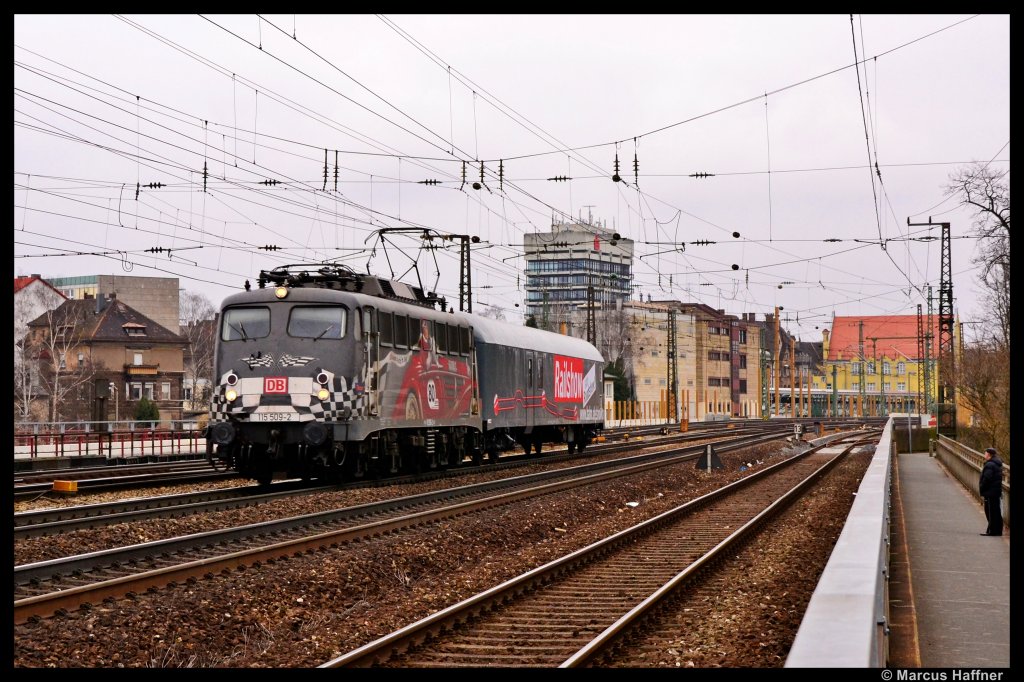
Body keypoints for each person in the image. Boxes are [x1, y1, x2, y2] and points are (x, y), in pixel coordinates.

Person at [979, 447, 1004, 536]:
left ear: (989, 454)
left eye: (985, 453)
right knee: (996, 511)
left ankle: (993, 531)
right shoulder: (996, 464)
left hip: (990, 492)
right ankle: (997, 530)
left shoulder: (990, 465)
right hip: (995, 491)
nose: (984, 455)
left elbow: (987, 478)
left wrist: (982, 487)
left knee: (990, 512)